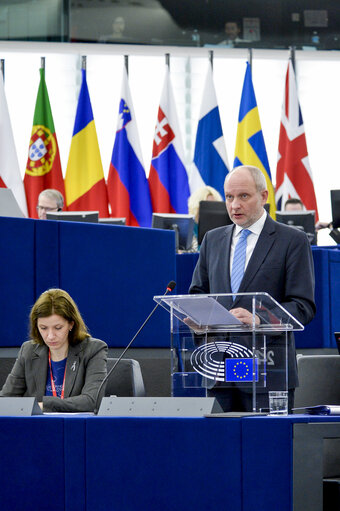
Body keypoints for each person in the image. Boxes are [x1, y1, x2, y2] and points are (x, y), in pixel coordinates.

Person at [189, 165, 316, 412]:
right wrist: (197, 318)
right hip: (219, 368)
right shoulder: (212, 240)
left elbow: (303, 306)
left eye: (243, 196)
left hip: (266, 368)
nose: (234, 205)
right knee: (218, 448)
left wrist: (260, 318)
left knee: (265, 449)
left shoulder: (292, 241)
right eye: (229, 197)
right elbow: (198, 293)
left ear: (264, 196)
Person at [0, 288, 108, 412]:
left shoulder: (93, 350)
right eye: (43, 328)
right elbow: (5, 400)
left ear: (71, 324)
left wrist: (44, 405)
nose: (50, 336)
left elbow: (91, 401)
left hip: (76, 428)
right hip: (35, 429)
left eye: (58, 328)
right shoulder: (28, 350)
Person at [188, 185, 223, 251]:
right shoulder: (187, 231)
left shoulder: (222, 232)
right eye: (206, 206)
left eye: (214, 206)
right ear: (196, 207)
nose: (211, 211)